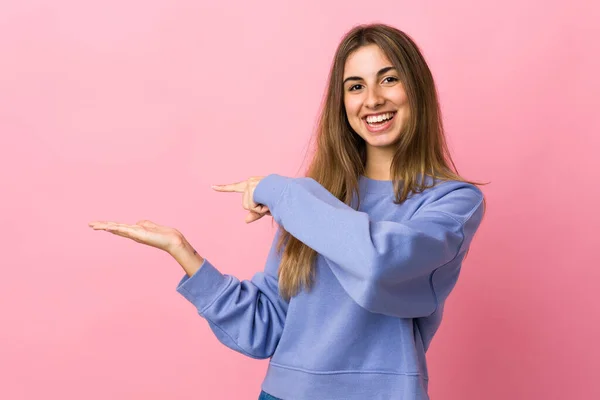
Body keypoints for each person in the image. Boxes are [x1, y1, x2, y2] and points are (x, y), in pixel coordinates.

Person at [89, 23, 486, 400]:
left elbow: (379, 263)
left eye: (389, 79)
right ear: (341, 102)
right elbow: (265, 328)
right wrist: (183, 253)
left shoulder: (452, 202)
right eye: (355, 86)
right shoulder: (311, 201)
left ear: (415, 88)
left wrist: (280, 190)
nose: (372, 100)